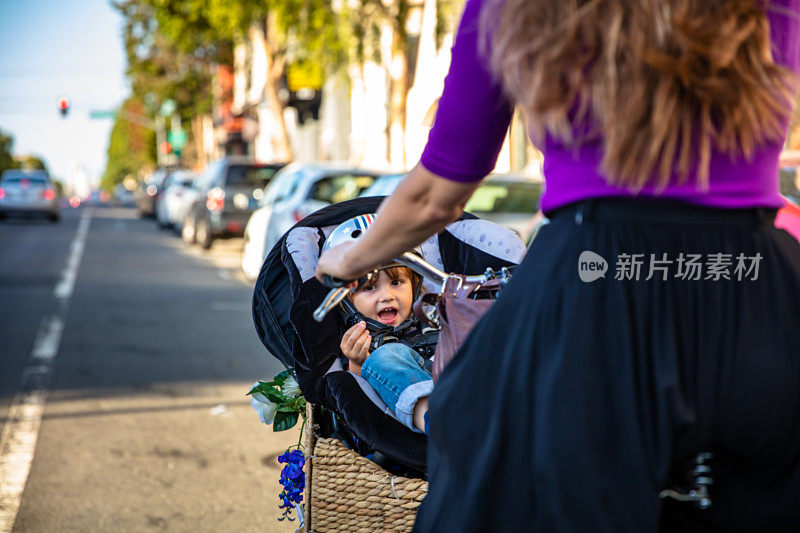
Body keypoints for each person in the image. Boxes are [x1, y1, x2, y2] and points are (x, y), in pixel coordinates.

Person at [318, 0, 800, 530]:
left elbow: (436, 194)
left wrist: (348, 258)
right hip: (753, 280)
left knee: (488, 452)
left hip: (595, 280)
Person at [340, 266, 432, 434]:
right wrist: (357, 361)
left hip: (467, 391)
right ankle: (439, 421)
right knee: (383, 358)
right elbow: (358, 398)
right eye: (368, 287)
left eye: (396, 282)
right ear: (348, 299)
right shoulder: (359, 342)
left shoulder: (435, 320)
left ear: (414, 285)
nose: (387, 296)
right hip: (432, 420)